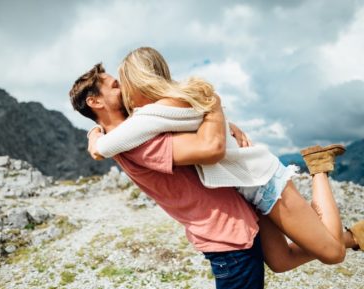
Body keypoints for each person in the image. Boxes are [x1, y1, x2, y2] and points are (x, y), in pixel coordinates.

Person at [85, 47, 363, 272]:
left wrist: (94, 134)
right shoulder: (175, 104)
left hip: (262, 182)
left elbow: (105, 147)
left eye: (123, 82)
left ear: (139, 79)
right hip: (247, 190)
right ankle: (353, 235)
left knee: (333, 253)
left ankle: (318, 167)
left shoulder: (152, 115)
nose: (123, 91)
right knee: (280, 262)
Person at [70, 64, 265, 289]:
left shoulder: (120, 134)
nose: (124, 87)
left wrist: (226, 124)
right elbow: (210, 147)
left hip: (230, 233)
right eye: (115, 86)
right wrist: (214, 103)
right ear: (95, 102)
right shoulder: (136, 143)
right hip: (229, 237)